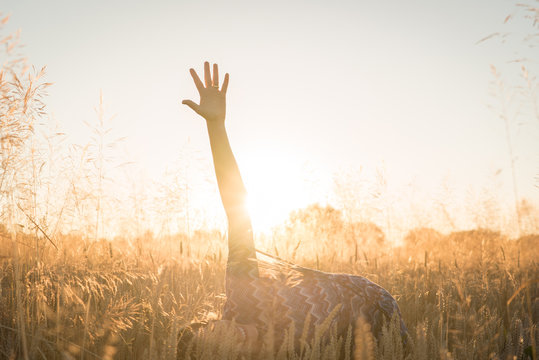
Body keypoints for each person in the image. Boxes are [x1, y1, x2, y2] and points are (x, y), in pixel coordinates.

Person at [178, 62, 409, 358]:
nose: (217, 333)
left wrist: (216, 127)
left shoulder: (242, 297)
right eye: (210, 345)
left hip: (370, 298)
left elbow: (237, 207)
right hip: (360, 336)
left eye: (207, 329)